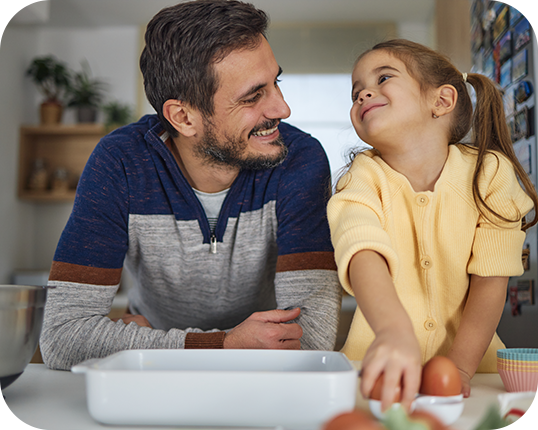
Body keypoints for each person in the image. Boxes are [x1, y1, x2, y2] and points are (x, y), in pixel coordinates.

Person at [40, 0, 341, 371]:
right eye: (253, 96)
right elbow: (62, 336)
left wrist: (142, 346)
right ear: (183, 117)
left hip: (244, 376)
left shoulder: (299, 159)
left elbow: (310, 337)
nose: (282, 108)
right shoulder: (119, 163)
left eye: (275, 82)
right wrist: (223, 346)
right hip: (156, 380)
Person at [327, 39, 538, 411]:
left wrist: (461, 366)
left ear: (441, 101)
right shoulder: (360, 178)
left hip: (479, 371)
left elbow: (491, 280)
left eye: (383, 78)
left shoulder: (489, 175)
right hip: (375, 371)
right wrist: (393, 332)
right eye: (356, 91)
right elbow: (361, 249)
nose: (363, 95)